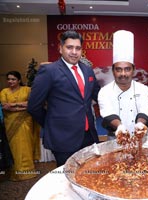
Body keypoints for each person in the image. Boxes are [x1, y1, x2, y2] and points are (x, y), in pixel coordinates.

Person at [28, 30, 100, 167]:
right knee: (67, 177)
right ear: (60, 48)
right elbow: (33, 106)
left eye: (78, 48)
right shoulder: (49, 71)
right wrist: (51, 124)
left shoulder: (87, 70)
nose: (74, 52)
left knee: (89, 174)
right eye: (69, 47)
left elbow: (98, 96)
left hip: (88, 136)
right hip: (63, 137)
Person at [98, 30, 148, 140]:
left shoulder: (143, 89)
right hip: (115, 138)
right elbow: (107, 112)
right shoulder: (104, 91)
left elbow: (145, 109)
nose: (123, 74)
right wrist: (119, 126)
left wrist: (140, 124)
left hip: (140, 137)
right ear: (113, 71)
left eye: (127, 69)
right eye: (119, 70)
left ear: (133, 70)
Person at [0, 71, 40, 181]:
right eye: (8, 79)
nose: (10, 81)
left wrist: (13, 105)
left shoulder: (27, 89)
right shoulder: (4, 91)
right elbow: (4, 106)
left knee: (26, 145)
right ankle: (15, 172)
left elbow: (31, 103)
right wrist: (23, 106)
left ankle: (27, 172)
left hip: (25, 121)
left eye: (13, 79)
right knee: (13, 147)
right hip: (10, 123)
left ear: (18, 80)